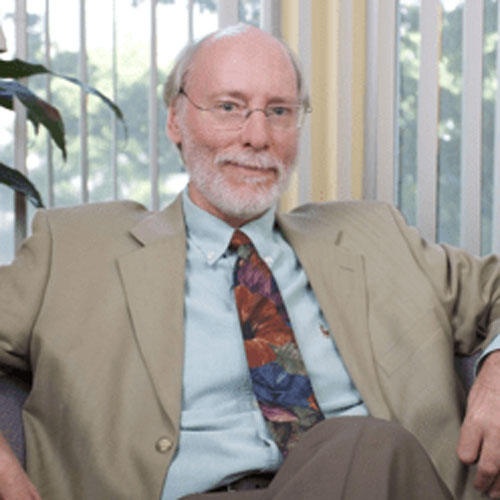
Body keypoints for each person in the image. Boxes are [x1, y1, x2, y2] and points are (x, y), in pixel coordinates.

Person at [1, 23, 500, 500]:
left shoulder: (375, 235)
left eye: (279, 111)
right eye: (229, 107)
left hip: (376, 482)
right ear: (176, 120)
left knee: (367, 446)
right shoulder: (71, 250)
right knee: (368, 441)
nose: (258, 136)